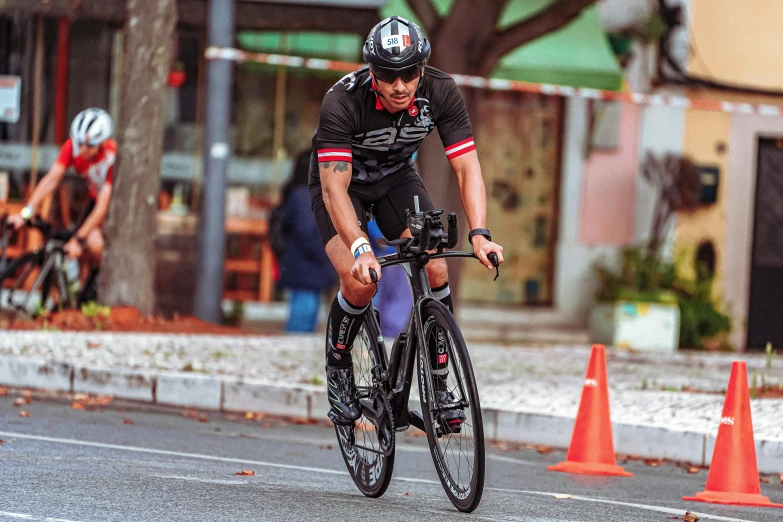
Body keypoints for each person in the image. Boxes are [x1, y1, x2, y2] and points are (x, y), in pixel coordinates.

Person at [309, 15, 504, 426]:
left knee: (435, 264)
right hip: (343, 189)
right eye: (387, 74)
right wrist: (361, 248)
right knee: (359, 281)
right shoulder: (342, 101)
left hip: (396, 179)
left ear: (422, 68)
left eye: (408, 73)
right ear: (372, 72)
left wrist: (481, 233)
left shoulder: (441, 90)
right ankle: (340, 369)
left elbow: (467, 168)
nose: (399, 85)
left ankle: (439, 380)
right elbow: (334, 191)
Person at [7, 108, 116, 285]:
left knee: (94, 243)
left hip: (112, 206)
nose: (82, 149)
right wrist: (25, 213)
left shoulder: (111, 159)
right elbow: (51, 180)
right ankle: (79, 299)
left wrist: (79, 240)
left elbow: (103, 206)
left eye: (89, 146)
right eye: (79, 143)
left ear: (102, 144)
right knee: (79, 253)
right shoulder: (72, 147)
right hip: (94, 200)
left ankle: (102, 286)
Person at [278, 150, 336, 332]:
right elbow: (306, 232)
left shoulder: (299, 193)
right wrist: (328, 254)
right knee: (303, 316)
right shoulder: (305, 195)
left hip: (305, 267)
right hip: (307, 267)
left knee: (306, 313)